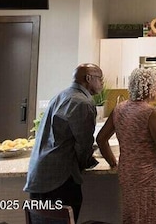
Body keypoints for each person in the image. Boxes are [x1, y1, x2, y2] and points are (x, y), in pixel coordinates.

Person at [96, 67, 156, 224]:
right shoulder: (151, 113)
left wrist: (113, 163)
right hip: (148, 176)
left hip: (127, 173)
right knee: (150, 216)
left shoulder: (119, 109)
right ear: (150, 88)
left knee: (131, 216)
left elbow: (101, 139)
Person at [24, 63, 104, 222]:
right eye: (100, 79)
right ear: (88, 78)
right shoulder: (83, 103)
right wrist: (87, 162)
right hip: (59, 180)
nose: (102, 83)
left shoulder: (60, 96)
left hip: (39, 174)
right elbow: (84, 145)